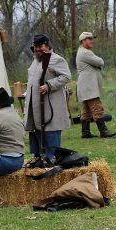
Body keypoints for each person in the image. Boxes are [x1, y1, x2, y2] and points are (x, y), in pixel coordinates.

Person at [24, 34, 71, 167]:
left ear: (47, 45)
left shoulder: (56, 59)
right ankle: (38, 156)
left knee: (51, 130)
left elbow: (66, 76)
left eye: (40, 46)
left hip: (51, 105)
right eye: (35, 46)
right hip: (35, 104)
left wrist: (49, 85)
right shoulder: (36, 60)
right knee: (36, 130)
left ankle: (51, 157)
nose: (37, 49)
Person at [76, 32, 116, 138]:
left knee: (86, 110)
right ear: (83, 41)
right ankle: (103, 131)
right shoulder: (86, 53)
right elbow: (100, 62)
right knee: (97, 107)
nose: (91, 40)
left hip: (85, 86)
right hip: (89, 86)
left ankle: (85, 132)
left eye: (92, 38)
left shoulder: (83, 51)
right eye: (89, 39)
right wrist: (100, 61)